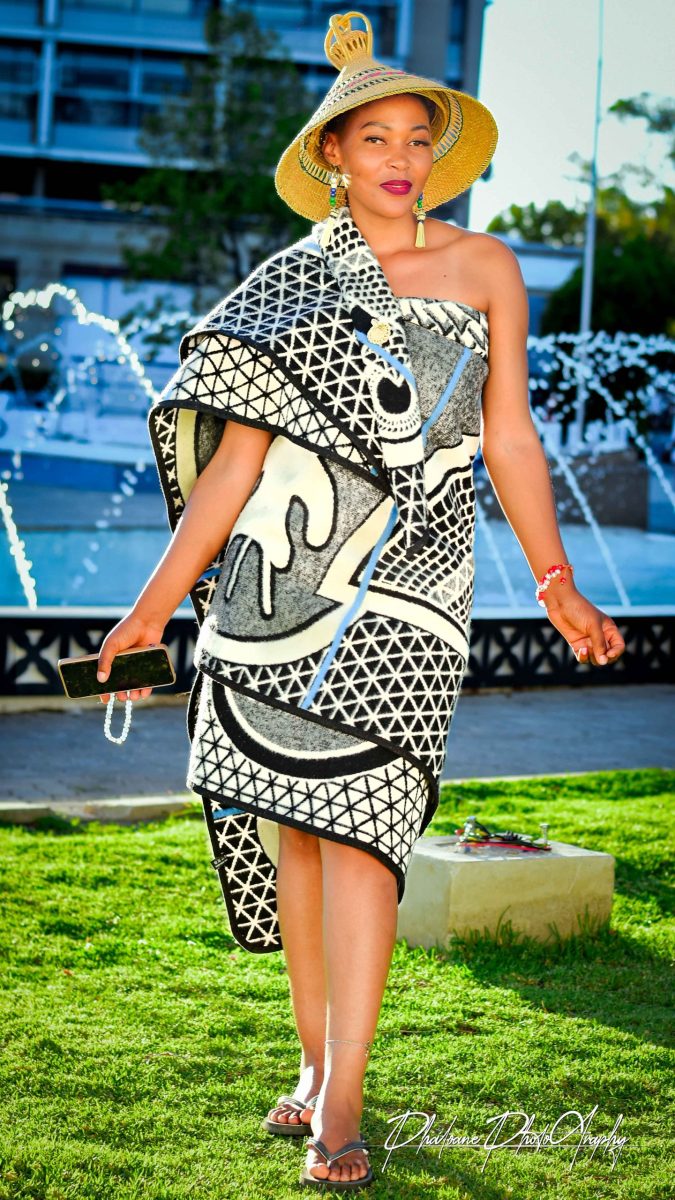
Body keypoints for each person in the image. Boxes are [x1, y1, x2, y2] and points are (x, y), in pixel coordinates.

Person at [95, 11, 626, 1191]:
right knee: (297, 829)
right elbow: (233, 470)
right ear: (331, 155)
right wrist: (149, 609)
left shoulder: (486, 268)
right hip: (274, 594)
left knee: (367, 833)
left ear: (438, 153)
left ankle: (343, 1096)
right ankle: (310, 1058)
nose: (400, 157)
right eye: (373, 138)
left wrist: (557, 578)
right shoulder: (286, 289)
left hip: (419, 594)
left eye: (417, 139)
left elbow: (510, 436)